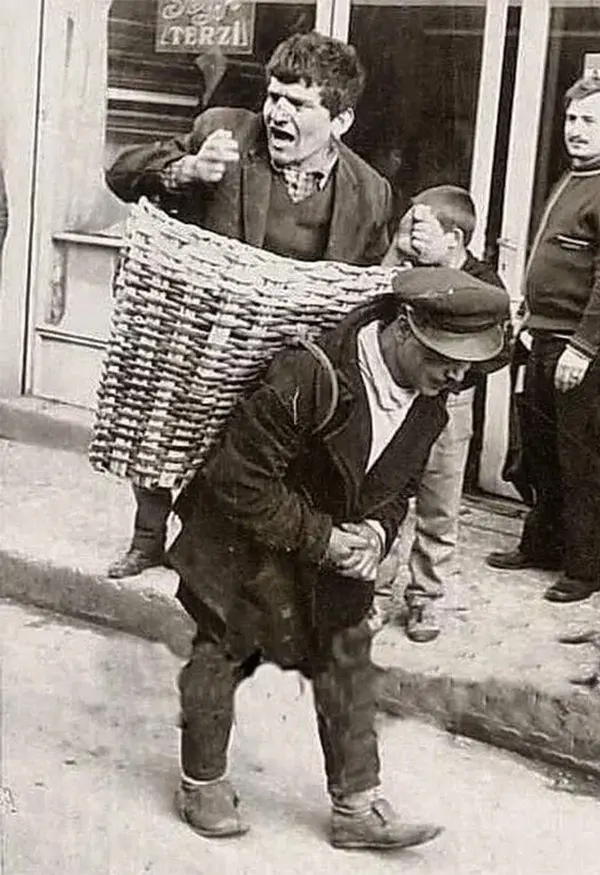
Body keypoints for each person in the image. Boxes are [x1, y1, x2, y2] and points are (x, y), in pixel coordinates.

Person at [167, 266, 510, 851]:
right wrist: (324, 540)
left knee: (347, 658)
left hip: (337, 546)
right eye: (443, 357)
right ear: (405, 327)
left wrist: (377, 534)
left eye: (467, 364)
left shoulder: (431, 402)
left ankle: (356, 807)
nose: (457, 374)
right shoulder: (313, 373)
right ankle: (202, 781)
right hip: (245, 536)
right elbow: (238, 480)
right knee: (221, 650)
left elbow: (398, 488)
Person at [104, 32, 404, 579]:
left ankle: (212, 549)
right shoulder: (223, 130)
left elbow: (365, 287)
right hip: (204, 333)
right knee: (162, 426)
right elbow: (121, 173)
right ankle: (147, 537)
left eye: (298, 104)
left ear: (341, 121)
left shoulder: (371, 191)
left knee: (244, 456)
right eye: (273, 97)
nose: (276, 114)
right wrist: (185, 170)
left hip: (289, 352)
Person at [486, 78, 600, 603]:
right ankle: (541, 546)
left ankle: (585, 571)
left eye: (589, 121)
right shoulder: (577, 176)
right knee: (542, 453)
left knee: (579, 459)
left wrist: (582, 348)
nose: (575, 130)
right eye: (571, 119)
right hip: (546, 338)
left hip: (584, 349)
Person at [378, 186, 506, 642]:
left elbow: (497, 349)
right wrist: (396, 251)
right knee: (384, 491)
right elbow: (370, 302)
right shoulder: (410, 272)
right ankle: (373, 593)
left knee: (439, 504)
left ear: (454, 237)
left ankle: (425, 599)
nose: (411, 234)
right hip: (401, 396)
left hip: (450, 404)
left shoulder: (484, 284)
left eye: (421, 227)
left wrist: (452, 377)